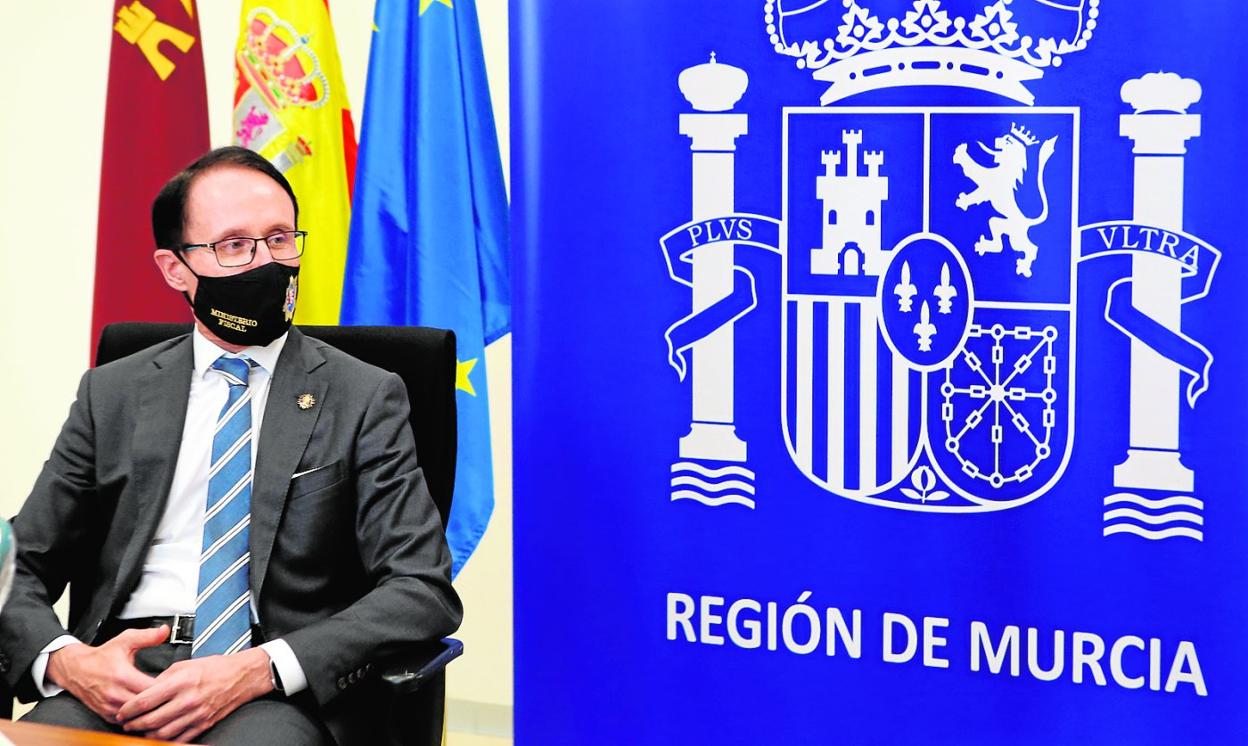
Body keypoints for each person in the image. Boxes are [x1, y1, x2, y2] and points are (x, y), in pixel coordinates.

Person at [0, 146, 462, 744]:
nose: (267, 263)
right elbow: (22, 564)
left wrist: (260, 667)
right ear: (175, 270)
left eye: (279, 239)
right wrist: (66, 661)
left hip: (268, 692)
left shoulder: (365, 395)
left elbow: (420, 587)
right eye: (235, 246)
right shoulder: (111, 393)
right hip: (116, 678)